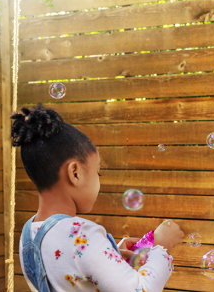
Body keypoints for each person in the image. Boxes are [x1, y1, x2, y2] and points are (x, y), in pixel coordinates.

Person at [14, 104, 185, 292]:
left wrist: (110, 254)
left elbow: (68, 270)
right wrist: (163, 245)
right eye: (98, 173)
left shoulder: (28, 234)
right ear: (75, 173)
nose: (99, 181)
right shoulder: (82, 235)